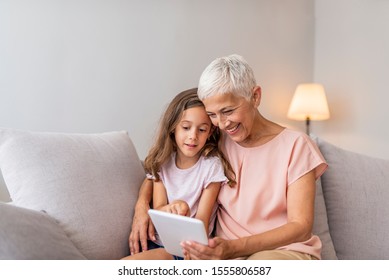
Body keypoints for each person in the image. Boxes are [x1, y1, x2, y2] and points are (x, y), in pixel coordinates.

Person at [131, 54, 328, 260]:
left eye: (228, 111)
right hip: (226, 257)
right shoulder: (214, 140)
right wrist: (142, 206)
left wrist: (233, 248)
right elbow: (161, 168)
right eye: (213, 115)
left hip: (284, 252)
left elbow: (301, 226)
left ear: (255, 96)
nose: (222, 123)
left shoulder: (297, 145)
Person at [124, 88, 235, 260]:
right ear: (173, 127)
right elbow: (159, 208)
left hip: (185, 251)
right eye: (186, 127)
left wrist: (183, 210)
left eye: (202, 130)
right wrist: (171, 208)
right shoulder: (162, 162)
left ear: (210, 132)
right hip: (155, 241)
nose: (193, 136)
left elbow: (202, 225)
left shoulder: (211, 167)